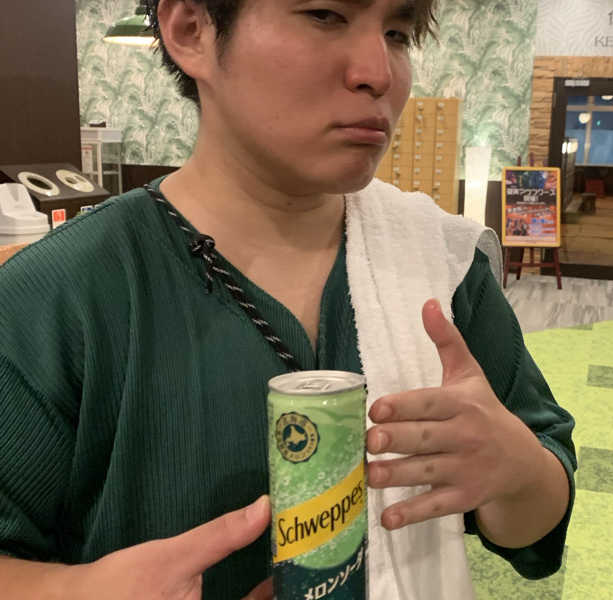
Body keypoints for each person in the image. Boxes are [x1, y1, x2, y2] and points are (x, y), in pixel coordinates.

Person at [0, 0, 577, 598]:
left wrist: (516, 471)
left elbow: (539, 515)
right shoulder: (57, 296)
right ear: (192, 30)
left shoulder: (443, 266)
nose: (378, 73)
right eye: (325, 15)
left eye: (397, 33)